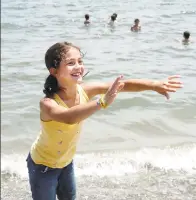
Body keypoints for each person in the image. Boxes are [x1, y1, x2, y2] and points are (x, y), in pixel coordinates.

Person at [26, 41, 183, 200]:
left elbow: (123, 85)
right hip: (42, 167)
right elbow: (69, 117)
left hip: (66, 163)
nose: (78, 66)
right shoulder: (47, 103)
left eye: (80, 61)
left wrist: (154, 85)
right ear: (54, 71)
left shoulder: (86, 90)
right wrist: (101, 102)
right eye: (71, 63)